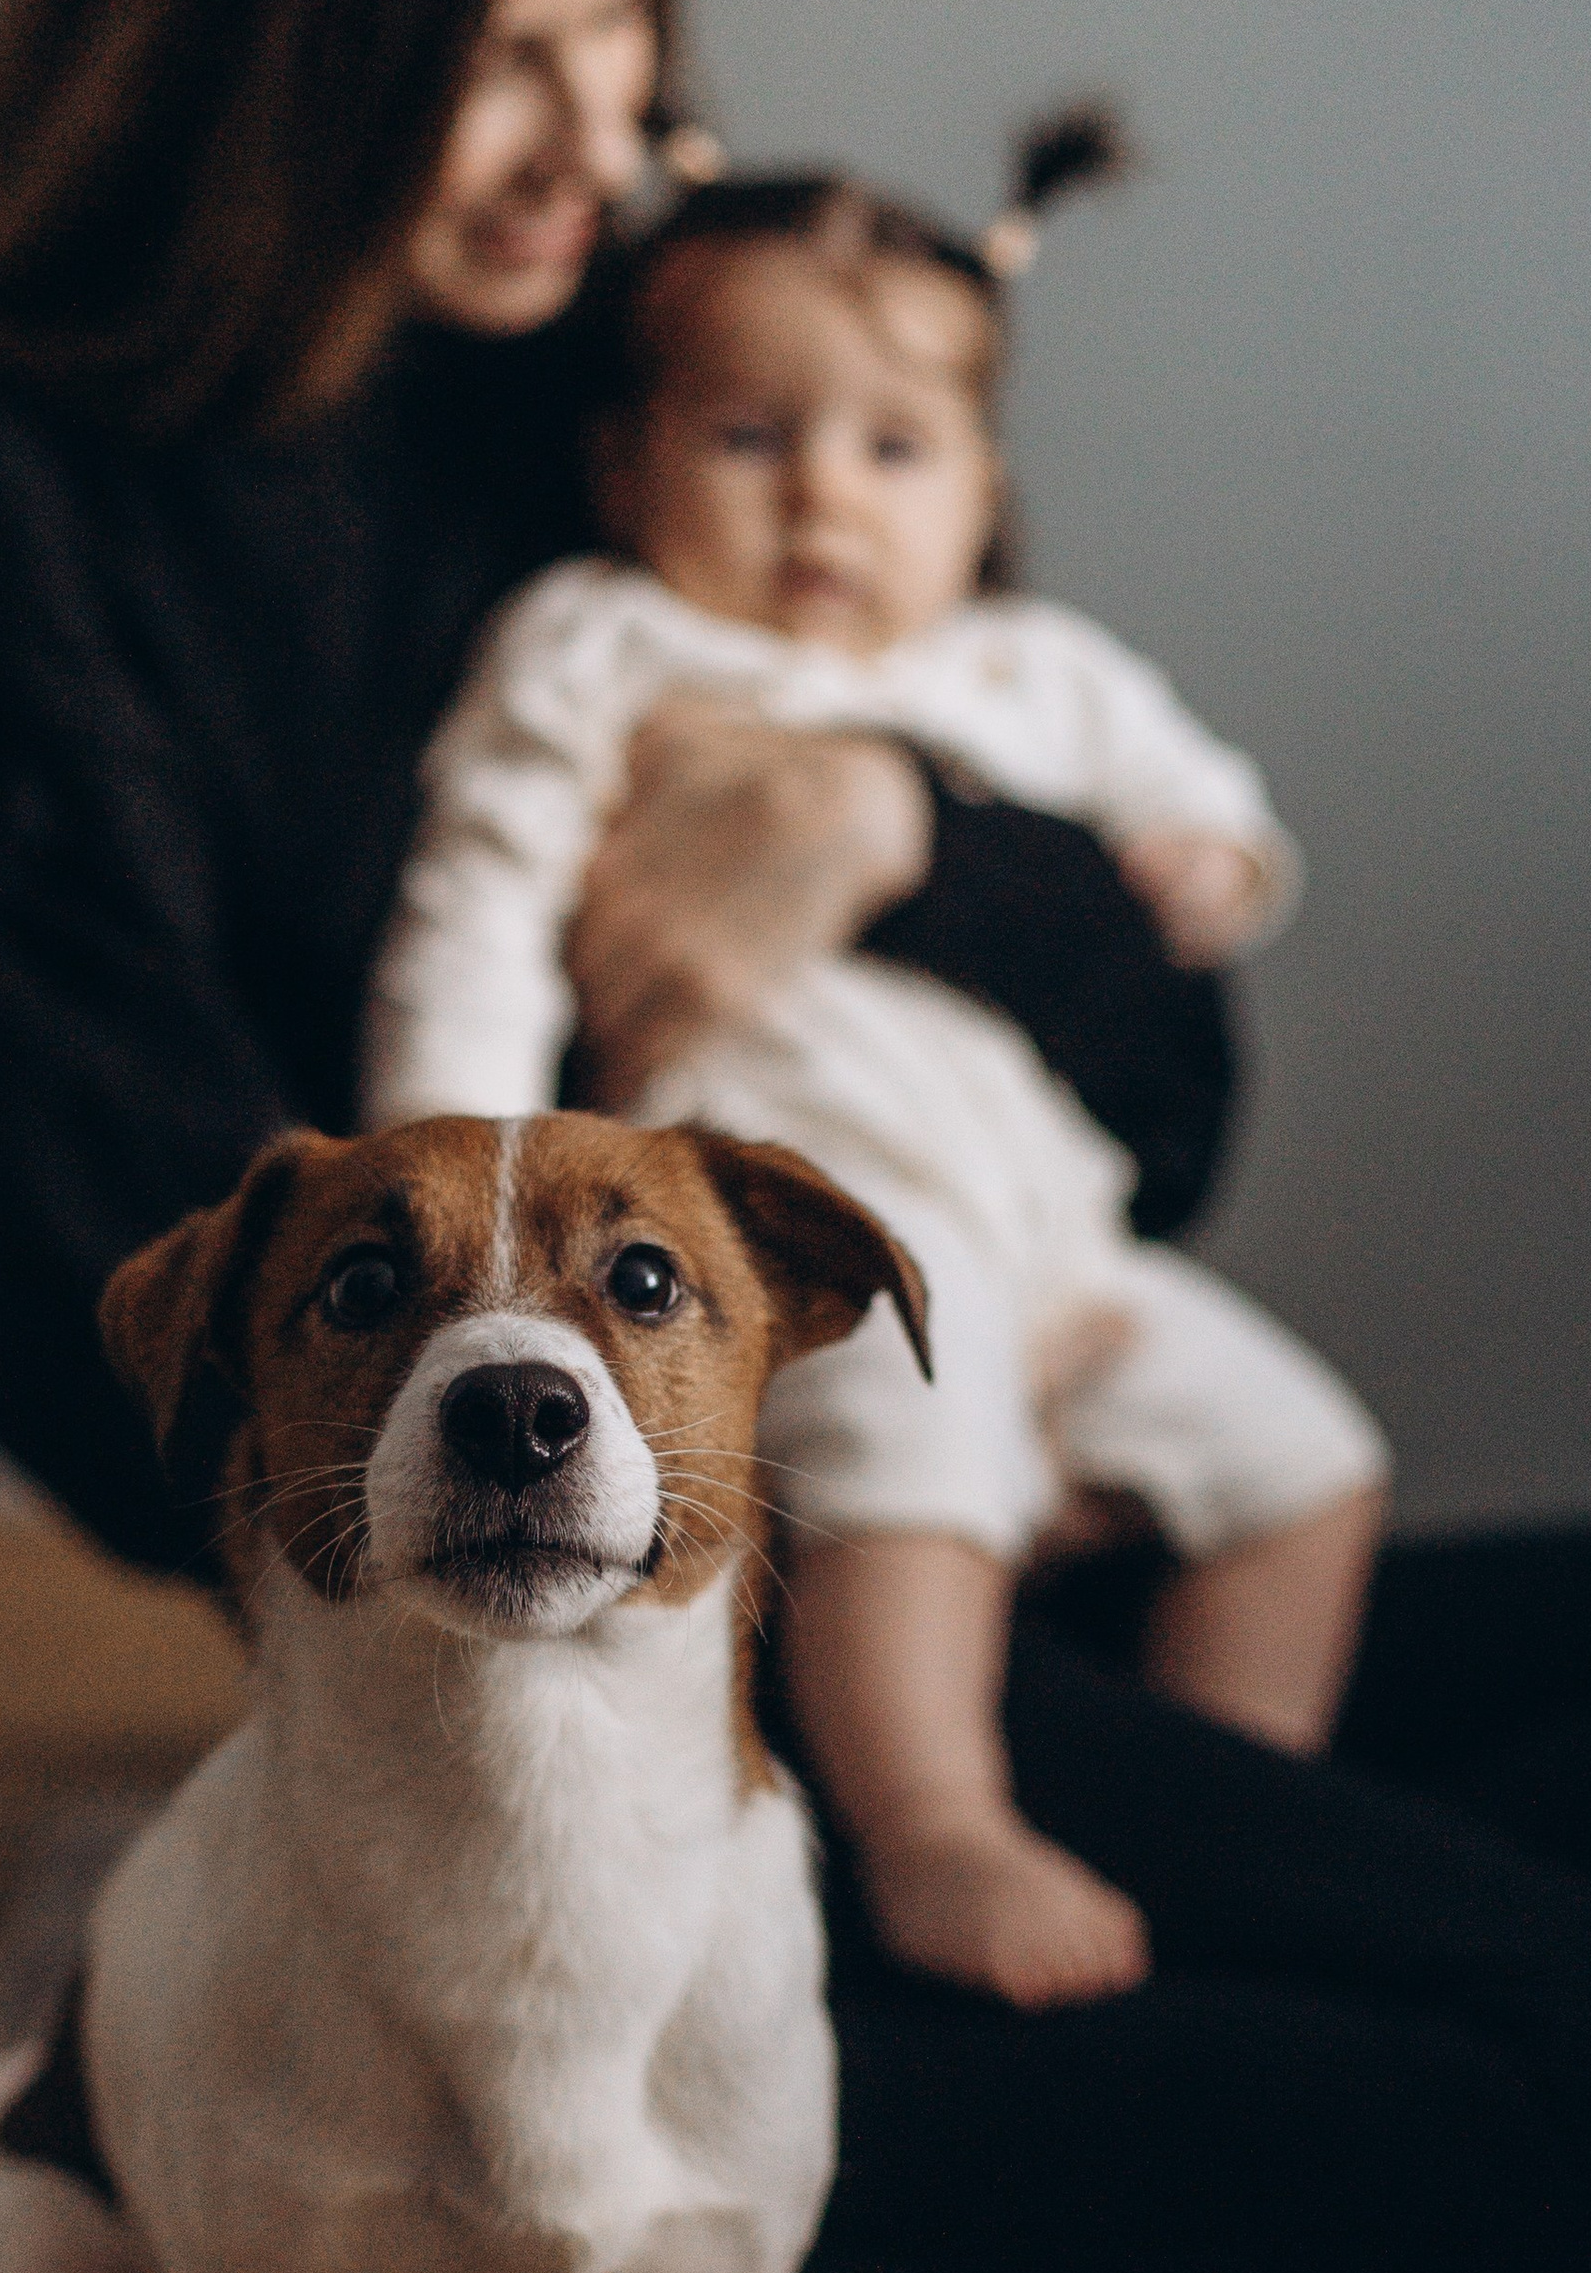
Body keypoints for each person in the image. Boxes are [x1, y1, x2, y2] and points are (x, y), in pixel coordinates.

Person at [0, 0, 1591, 2273]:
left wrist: (879, 827)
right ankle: (460, 2145)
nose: (616, 141)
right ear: (248, 45)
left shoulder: (662, 385)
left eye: (632, 16)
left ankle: (1209, 1890)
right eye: (501, 56)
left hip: (1027, 1462)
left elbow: (1168, 1072)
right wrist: (771, 1477)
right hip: (595, 1657)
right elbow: (142, 1340)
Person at [364, 135, 1389, 2009]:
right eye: (753, 437)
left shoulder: (1028, 675)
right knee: (914, 1438)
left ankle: (1228, 1801)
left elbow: (1210, 817)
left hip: (1062, 1252)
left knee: (1308, 1464)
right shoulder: (602, 644)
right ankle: (937, 1823)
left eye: (895, 449)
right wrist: (454, 1168)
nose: (825, 493)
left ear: (982, 490)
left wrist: (1207, 862)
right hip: (824, 1232)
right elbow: (483, 905)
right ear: (627, 465)